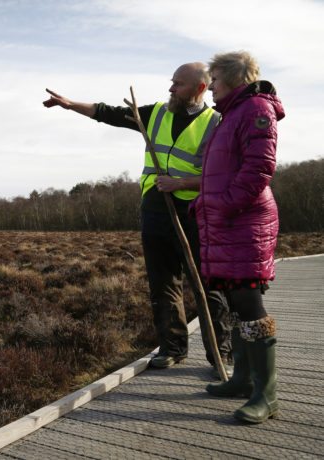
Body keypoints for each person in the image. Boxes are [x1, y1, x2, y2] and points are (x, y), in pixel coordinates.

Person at [43, 62, 233, 375]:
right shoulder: (157, 112)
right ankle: (172, 349)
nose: (170, 89)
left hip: (197, 214)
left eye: (178, 84)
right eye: (171, 82)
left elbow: (225, 177)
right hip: (155, 211)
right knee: (163, 285)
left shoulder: (218, 123)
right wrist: (70, 104)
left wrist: (182, 184)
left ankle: (219, 354)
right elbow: (109, 113)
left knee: (208, 285)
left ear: (200, 88)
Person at [195, 51, 284, 424]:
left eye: (214, 79)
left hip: (245, 221)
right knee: (236, 301)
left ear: (231, 78)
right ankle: (244, 378)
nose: (211, 86)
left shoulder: (255, 109)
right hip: (229, 220)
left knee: (249, 302)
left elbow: (259, 167)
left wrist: (224, 204)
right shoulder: (231, 113)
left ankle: (267, 394)